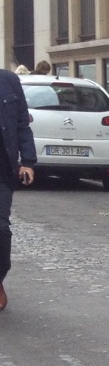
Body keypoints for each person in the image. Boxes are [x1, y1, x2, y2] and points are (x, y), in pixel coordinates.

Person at [0, 66, 37, 311]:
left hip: (3, 170)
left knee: (1, 228)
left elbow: (22, 124)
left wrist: (28, 162)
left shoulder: (9, 81)